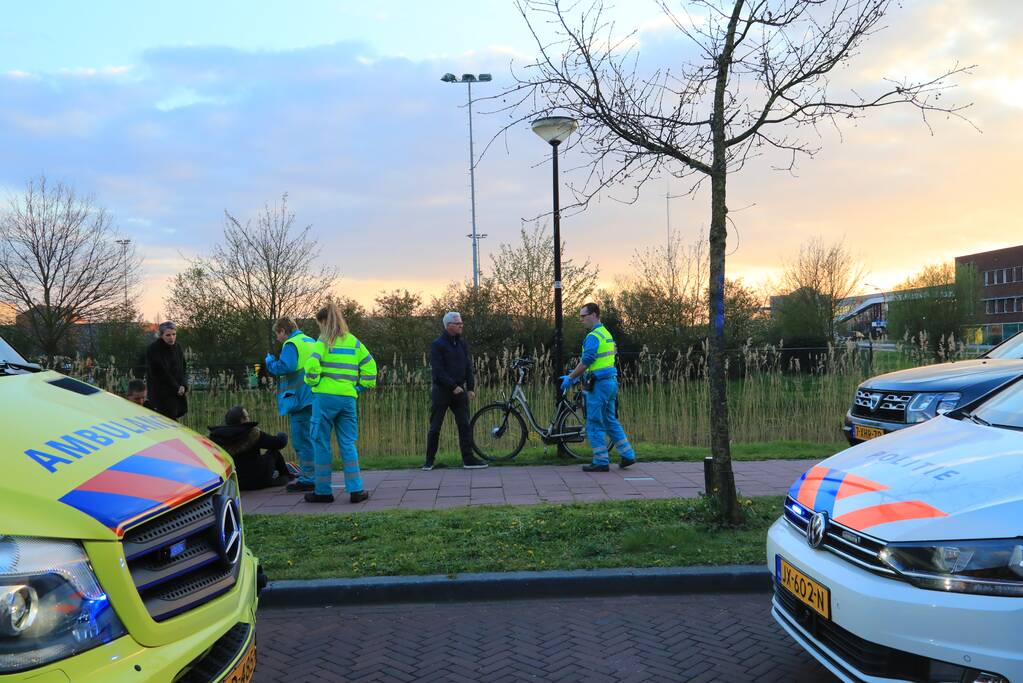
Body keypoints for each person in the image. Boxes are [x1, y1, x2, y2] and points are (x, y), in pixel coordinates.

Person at [302, 302, 376, 504]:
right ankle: (356, 490)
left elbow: (312, 365)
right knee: (348, 443)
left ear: (323, 322)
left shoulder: (323, 340)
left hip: (324, 399)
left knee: (321, 443)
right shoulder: (353, 341)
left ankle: (323, 492)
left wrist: (313, 382)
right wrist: (359, 388)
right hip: (347, 399)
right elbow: (370, 367)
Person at [560, 302, 637, 472]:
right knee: (610, 420)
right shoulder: (606, 333)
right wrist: (578, 374)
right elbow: (602, 360)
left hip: (598, 385)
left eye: (584, 316)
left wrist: (571, 377)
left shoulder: (593, 336)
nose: (581, 319)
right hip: (610, 382)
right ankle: (628, 455)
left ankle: (601, 461)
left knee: (594, 422)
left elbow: (587, 361)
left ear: (594, 314)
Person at [422, 311, 488, 471]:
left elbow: (468, 366)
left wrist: (470, 388)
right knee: (435, 427)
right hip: (442, 391)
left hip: (460, 393)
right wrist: (453, 386)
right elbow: (438, 371)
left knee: (464, 425)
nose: (461, 326)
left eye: (461, 323)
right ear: (448, 325)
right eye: (458, 323)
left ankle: (468, 460)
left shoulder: (462, 344)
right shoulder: (438, 345)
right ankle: (429, 462)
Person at [264, 318, 318, 493]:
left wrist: (270, 362)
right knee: (313, 438)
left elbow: (286, 367)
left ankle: (308, 479)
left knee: (302, 441)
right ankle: (317, 476)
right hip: (315, 396)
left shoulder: (291, 344)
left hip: (300, 399)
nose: (277, 338)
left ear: (283, 330)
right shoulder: (310, 341)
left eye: (277, 334)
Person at [208, 406, 292, 490]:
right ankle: (286, 476)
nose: (249, 419)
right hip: (259, 479)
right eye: (247, 416)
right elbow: (279, 443)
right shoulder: (252, 433)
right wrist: (282, 435)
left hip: (236, 483)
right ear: (242, 420)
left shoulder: (216, 437)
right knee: (274, 453)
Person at [146, 321, 188, 420]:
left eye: (174, 334)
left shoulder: (177, 347)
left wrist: (183, 385)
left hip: (177, 391)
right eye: (168, 335)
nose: (171, 338)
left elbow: (182, 368)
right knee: (166, 419)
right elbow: (159, 372)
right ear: (161, 335)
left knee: (175, 417)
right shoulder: (154, 349)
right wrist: (176, 387)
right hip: (162, 392)